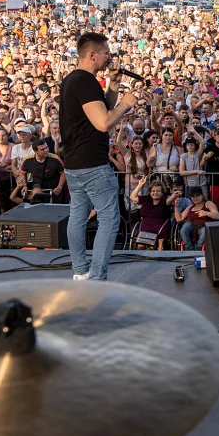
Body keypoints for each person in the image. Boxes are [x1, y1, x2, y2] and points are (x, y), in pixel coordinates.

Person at [60, 31, 135, 281]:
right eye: (106, 53)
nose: (109, 58)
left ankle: (80, 272)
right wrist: (125, 104)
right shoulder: (85, 81)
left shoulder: (73, 80)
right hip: (92, 163)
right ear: (92, 55)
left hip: (74, 163)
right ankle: (97, 276)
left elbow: (98, 111)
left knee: (78, 217)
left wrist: (112, 87)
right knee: (110, 219)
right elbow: (104, 123)